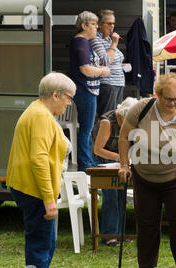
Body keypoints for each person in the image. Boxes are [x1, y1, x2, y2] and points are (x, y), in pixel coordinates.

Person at [118, 73, 176, 268]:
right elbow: (123, 136)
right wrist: (123, 165)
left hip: (174, 179)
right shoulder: (142, 109)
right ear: (158, 95)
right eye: (169, 99)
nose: (173, 103)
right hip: (144, 175)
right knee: (146, 221)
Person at [6, 72, 76, 268]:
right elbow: (39, 159)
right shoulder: (41, 117)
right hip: (34, 192)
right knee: (38, 249)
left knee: (44, 245)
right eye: (68, 98)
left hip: (30, 188)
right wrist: (48, 199)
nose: (69, 103)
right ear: (55, 95)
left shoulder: (37, 111)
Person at [93, 97, 137, 247]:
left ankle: (120, 234)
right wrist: (119, 157)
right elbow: (98, 150)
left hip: (121, 162)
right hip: (104, 162)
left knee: (122, 196)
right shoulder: (107, 122)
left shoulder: (130, 123)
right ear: (123, 114)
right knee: (111, 198)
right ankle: (109, 236)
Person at [69, 10, 110, 172]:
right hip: (85, 89)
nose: (96, 27)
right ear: (84, 26)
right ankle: (85, 164)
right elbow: (85, 69)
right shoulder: (81, 42)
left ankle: (87, 160)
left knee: (87, 128)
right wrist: (101, 71)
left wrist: (98, 68)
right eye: (93, 24)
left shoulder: (84, 42)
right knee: (86, 129)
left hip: (88, 89)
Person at [90, 10, 131, 119]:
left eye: (113, 23)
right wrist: (114, 43)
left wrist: (124, 67)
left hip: (118, 82)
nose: (112, 26)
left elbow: (114, 60)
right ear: (99, 25)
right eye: (109, 23)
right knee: (107, 117)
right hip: (107, 83)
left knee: (116, 116)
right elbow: (106, 61)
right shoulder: (95, 39)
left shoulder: (108, 38)